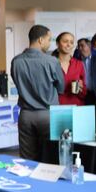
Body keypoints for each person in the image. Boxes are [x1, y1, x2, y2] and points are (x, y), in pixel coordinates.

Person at [10, 25, 64, 160]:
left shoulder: (16, 61)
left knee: (28, 160)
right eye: (49, 39)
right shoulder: (52, 61)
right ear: (41, 40)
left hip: (26, 116)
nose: (50, 43)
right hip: (48, 115)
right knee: (52, 158)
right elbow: (61, 87)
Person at [54, 32, 86, 105]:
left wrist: (81, 89)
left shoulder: (79, 64)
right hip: (56, 107)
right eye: (65, 41)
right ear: (57, 44)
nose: (68, 44)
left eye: (71, 42)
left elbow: (84, 93)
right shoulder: (51, 64)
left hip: (76, 107)